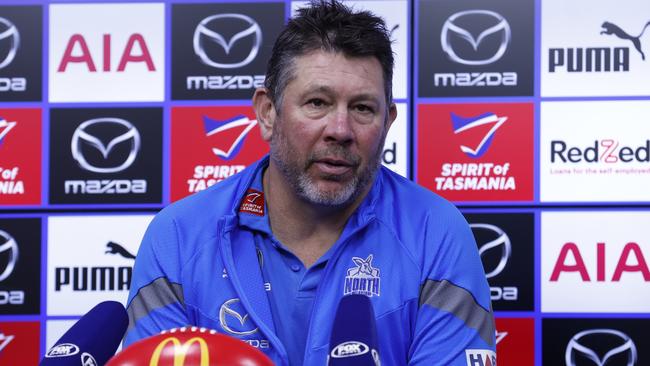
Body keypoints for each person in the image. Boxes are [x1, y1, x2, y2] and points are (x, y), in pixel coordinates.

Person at [124, 1, 496, 364]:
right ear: (268, 113)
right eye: (317, 102)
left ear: (388, 121)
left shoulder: (436, 231)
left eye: (363, 108)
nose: (340, 130)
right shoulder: (178, 235)